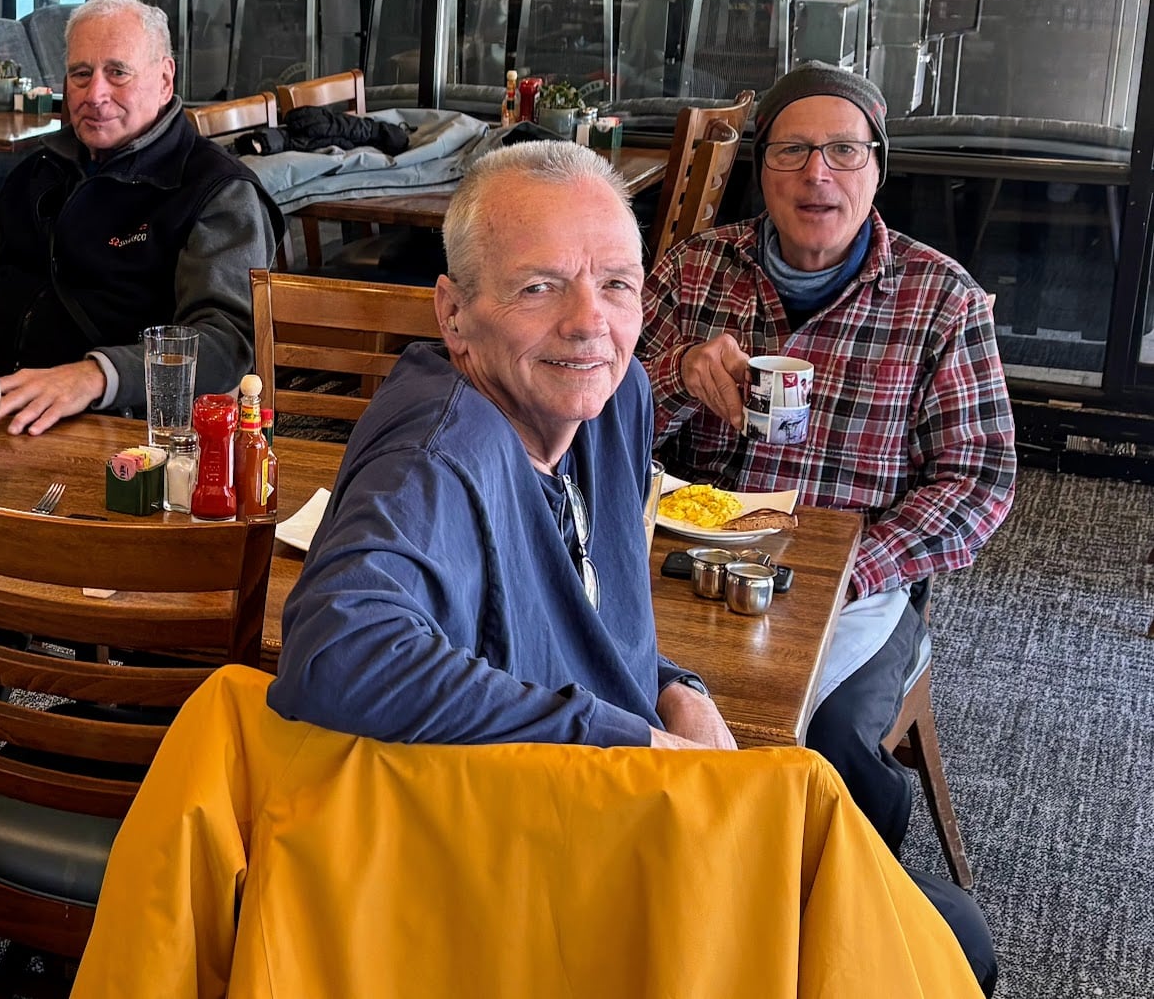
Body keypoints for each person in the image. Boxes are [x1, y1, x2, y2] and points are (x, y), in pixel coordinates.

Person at [272, 140, 996, 989]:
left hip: (616, 811)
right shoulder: (441, 447)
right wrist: (631, 738)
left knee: (940, 929)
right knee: (936, 944)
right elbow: (335, 653)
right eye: (539, 287)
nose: (590, 323)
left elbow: (579, 614)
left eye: (616, 284)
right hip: (519, 869)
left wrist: (671, 687)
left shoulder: (615, 403)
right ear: (454, 313)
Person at [642, 62, 1016, 854]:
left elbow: (978, 479)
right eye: (793, 150)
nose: (818, 174)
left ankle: (851, 908)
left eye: (844, 151)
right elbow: (591, 425)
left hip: (863, 590)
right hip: (695, 568)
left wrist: (856, 567)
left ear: (877, 168)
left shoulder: (938, 298)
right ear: (762, 167)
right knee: (612, 701)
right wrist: (675, 377)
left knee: (831, 740)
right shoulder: (693, 271)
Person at [0, 0, 279, 434]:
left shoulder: (216, 191)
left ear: (165, 80)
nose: (95, 93)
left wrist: (98, 375)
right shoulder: (33, 174)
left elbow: (229, 346)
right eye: (80, 74)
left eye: (117, 73)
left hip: (122, 432)